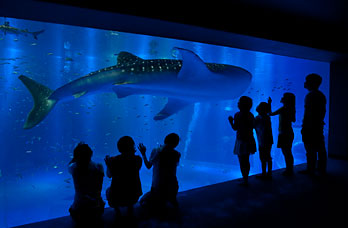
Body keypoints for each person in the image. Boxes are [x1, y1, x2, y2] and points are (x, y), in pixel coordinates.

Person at [138, 133, 181, 213]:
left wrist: (143, 154)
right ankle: (170, 200)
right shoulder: (177, 154)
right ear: (176, 144)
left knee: (142, 202)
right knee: (169, 202)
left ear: (165, 140)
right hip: (173, 187)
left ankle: (161, 202)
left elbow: (148, 166)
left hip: (157, 188)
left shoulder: (156, 151)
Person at [104, 136, 143, 217]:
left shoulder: (113, 160)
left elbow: (109, 175)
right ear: (132, 146)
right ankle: (130, 208)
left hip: (117, 197)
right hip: (134, 195)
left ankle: (117, 211)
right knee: (130, 188)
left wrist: (108, 165)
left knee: (108, 191)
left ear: (119, 147)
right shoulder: (138, 159)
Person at [68, 142, 105, 222]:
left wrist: (75, 158)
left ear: (76, 156)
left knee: (71, 209)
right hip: (97, 210)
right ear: (91, 153)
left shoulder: (74, 168)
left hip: (79, 212)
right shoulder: (99, 167)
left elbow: (69, 165)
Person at [301, 73, 327, 175]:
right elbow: (322, 112)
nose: (305, 83)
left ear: (311, 83)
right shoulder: (321, 95)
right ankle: (321, 169)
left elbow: (309, 113)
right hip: (318, 125)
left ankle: (310, 169)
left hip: (310, 127)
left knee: (310, 148)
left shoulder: (311, 95)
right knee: (320, 148)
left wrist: (305, 127)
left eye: (307, 81)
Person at [228, 96, 256, 186]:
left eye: (239, 102)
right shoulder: (251, 115)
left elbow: (235, 128)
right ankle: (246, 178)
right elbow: (253, 126)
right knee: (246, 160)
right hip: (249, 139)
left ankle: (245, 179)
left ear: (242, 104)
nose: (238, 103)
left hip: (241, 140)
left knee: (241, 160)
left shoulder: (237, 115)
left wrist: (230, 121)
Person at [269, 93, 296, 176]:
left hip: (284, 133)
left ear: (287, 100)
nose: (282, 97)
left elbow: (271, 114)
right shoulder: (291, 108)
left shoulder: (284, 108)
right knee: (288, 151)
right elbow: (293, 120)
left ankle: (289, 170)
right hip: (289, 132)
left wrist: (269, 103)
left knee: (286, 152)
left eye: (283, 97)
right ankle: (290, 168)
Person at [254, 98, 274, 179]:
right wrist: (269, 103)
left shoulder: (258, 118)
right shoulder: (267, 116)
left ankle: (264, 173)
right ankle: (269, 173)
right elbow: (269, 111)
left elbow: (253, 125)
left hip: (262, 140)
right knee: (268, 156)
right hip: (269, 139)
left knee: (262, 157)